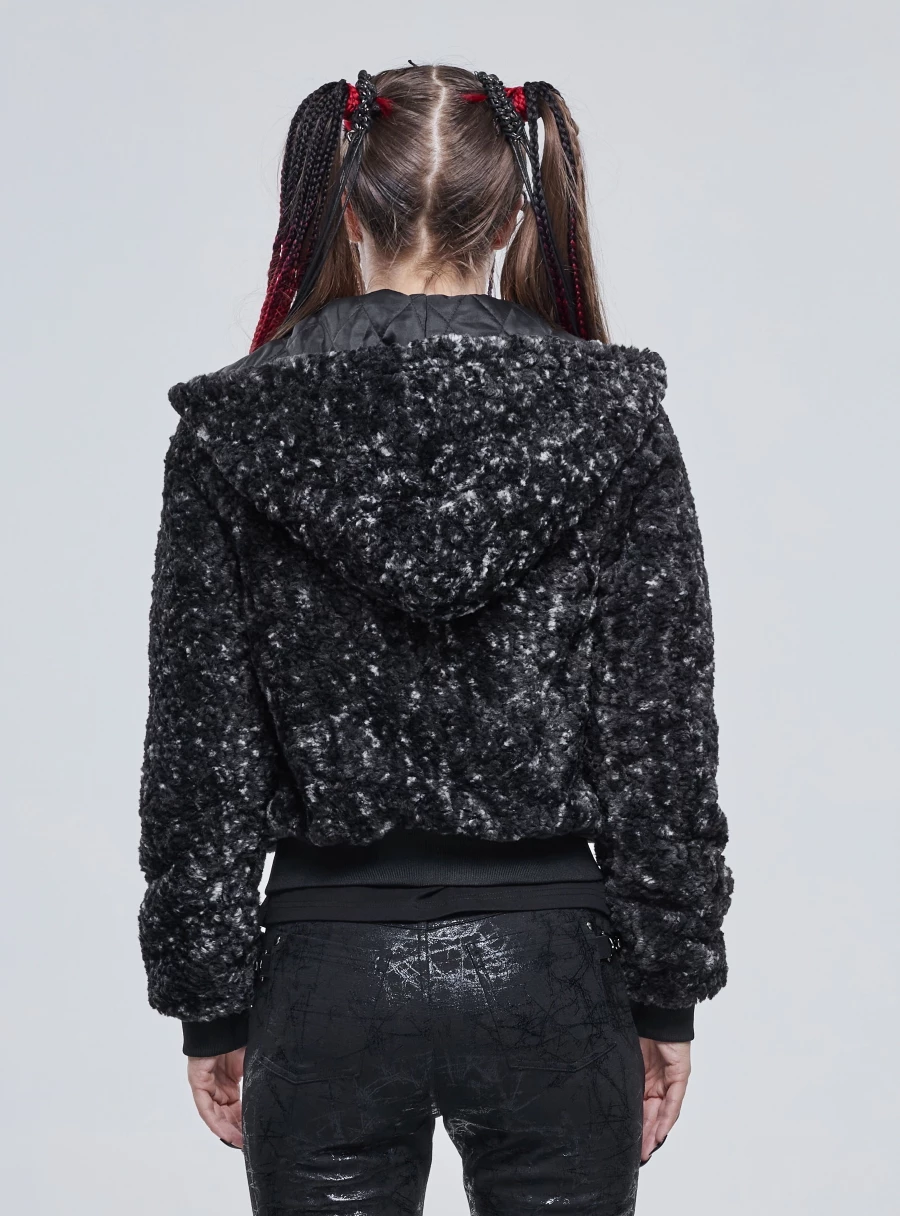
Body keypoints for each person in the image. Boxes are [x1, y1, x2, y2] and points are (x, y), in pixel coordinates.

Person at [138, 64, 733, 1215]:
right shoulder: (613, 419)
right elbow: (661, 731)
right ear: (513, 219)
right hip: (553, 972)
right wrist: (667, 992)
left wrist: (208, 1001)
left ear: (349, 214)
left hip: (324, 975)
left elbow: (200, 749)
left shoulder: (233, 430)